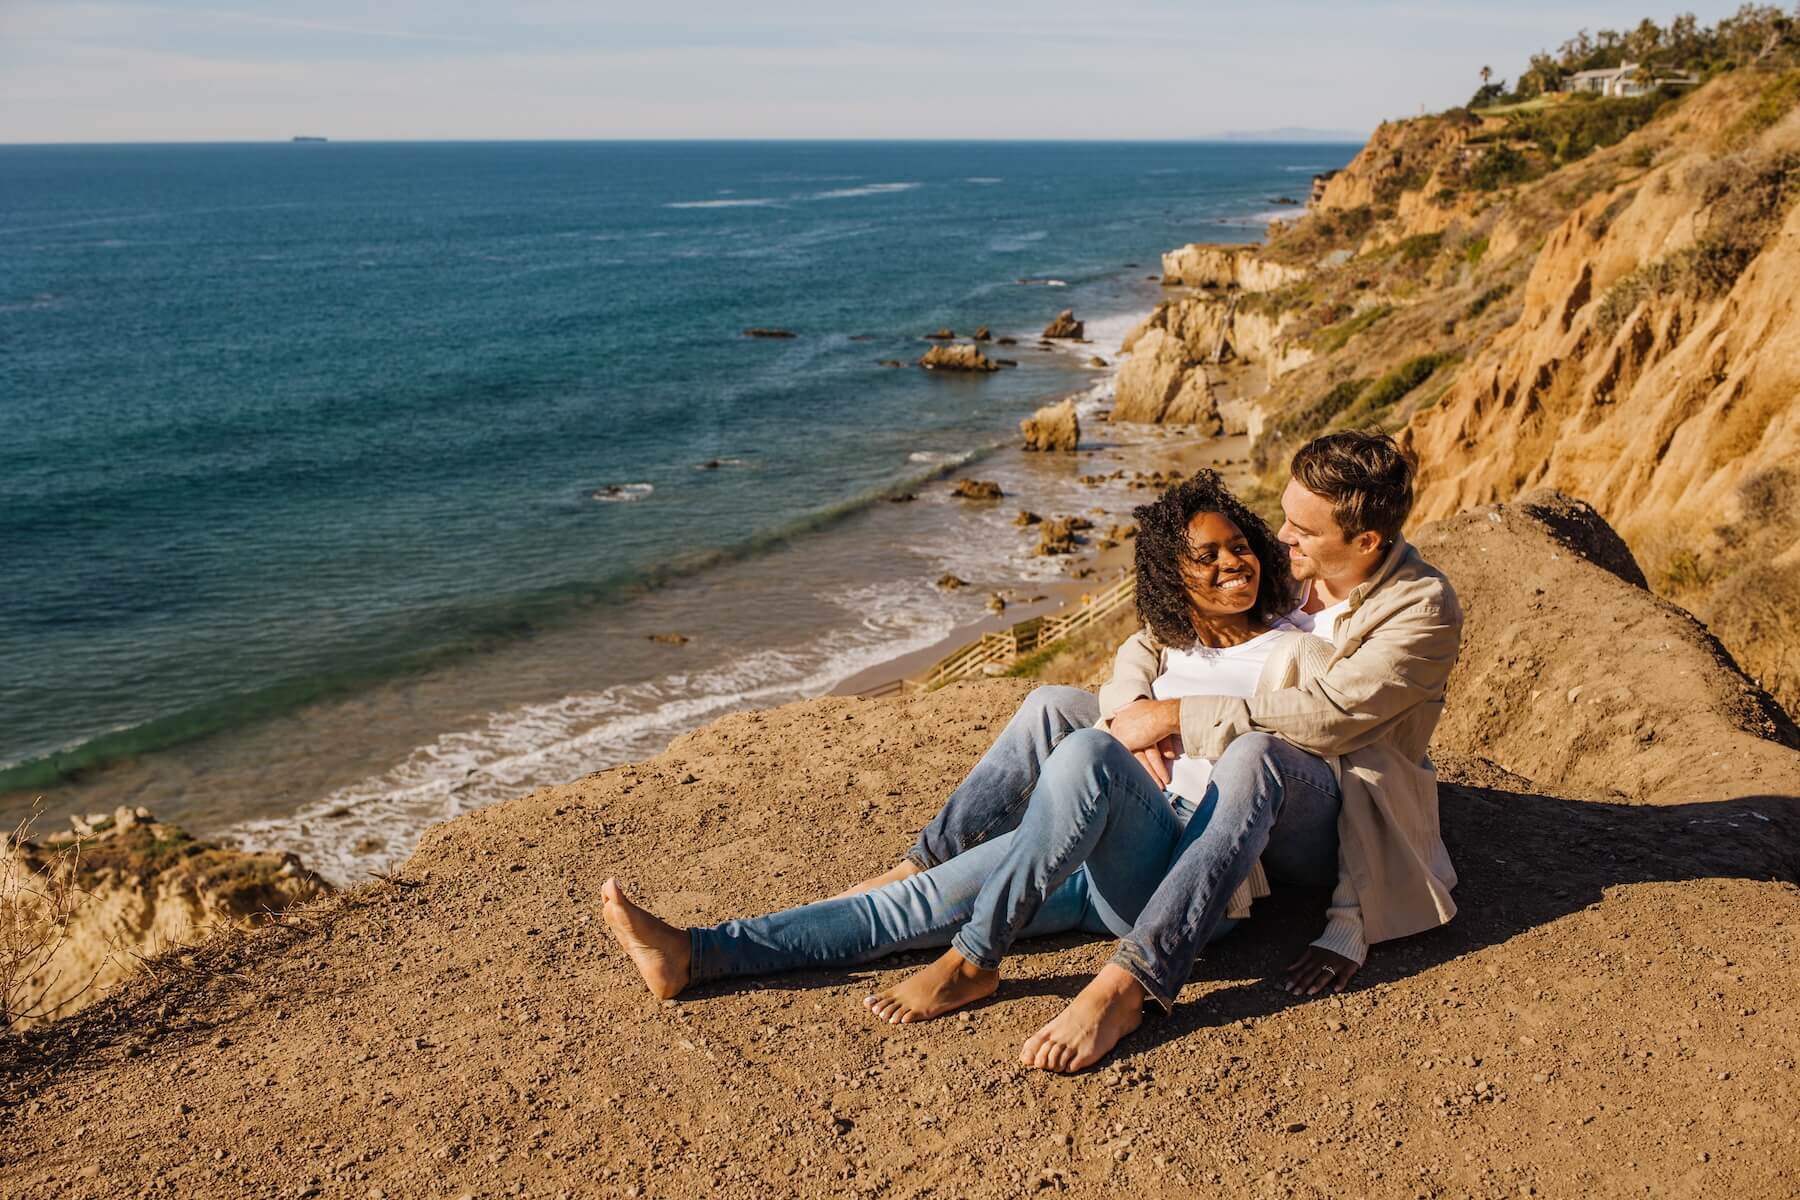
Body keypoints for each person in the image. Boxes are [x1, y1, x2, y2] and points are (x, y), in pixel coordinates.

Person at [601, 472, 1330, 1024]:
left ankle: (976, 959)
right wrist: (1134, 712)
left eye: (1240, 546)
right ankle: (698, 954)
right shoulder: (1165, 645)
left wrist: (1159, 722)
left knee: (1089, 755)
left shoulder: (1295, 645)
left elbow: (1306, 741)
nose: (1234, 562)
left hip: (1183, 871)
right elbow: (1124, 680)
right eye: (1207, 556)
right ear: (1174, 576)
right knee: (905, 908)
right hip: (1092, 857)